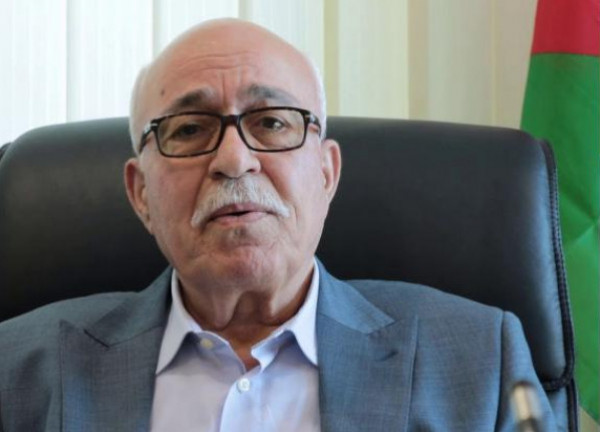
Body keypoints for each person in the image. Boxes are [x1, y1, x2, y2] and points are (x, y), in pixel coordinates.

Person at [0, 19, 558, 431]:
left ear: (326, 173)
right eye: (189, 129)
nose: (234, 160)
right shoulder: (16, 369)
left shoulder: (479, 359)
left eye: (271, 122)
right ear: (140, 193)